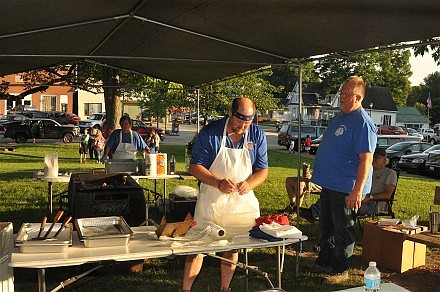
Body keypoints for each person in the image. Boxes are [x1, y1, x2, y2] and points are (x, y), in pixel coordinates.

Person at [181, 97, 268, 292]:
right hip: (211, 200)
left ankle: (225, 288)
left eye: (249, 120)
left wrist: (249, 184)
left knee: (232, 245)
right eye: (240, 119)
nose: (244, 125)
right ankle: (185, 289)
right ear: (230, 112)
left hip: (240, 204)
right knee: (197, 247)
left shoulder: (256, 133)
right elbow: (195, 167)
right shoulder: (211, 132)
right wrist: (218, 183)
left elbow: (262, 170)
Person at [310, 76, 377, 283]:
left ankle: (341, 269)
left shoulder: (363, 123)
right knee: (327, 225)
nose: (342, 97)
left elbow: (366, 160)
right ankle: (326, 261)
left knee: (344, 228)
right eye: (341, 93)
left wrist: (357, 190)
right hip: (330, 183)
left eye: (346, 94)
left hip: (347, 186)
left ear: (358, 97)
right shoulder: (340, 117)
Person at [299, 147, 397, 221]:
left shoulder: (389, 173)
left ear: (384, 159)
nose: (373, 160)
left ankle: (316, 216)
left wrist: (370, 197)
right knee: (335, 195)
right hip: (357, 197)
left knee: (341, 203)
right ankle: (314, 213)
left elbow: (388, 195)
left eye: (377, 158)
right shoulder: (367, 170)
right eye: (373, 157)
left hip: (373, 203)